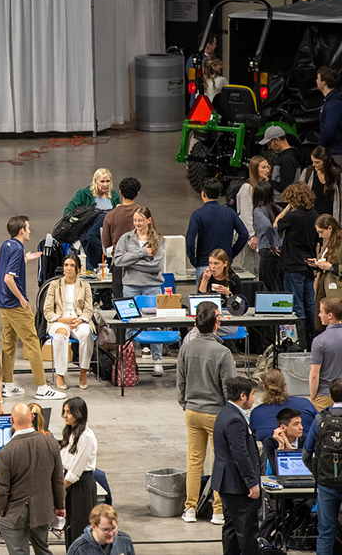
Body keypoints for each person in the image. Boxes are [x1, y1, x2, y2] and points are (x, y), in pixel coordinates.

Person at [176, 300, 235, 524]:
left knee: (194, 461)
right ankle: (218, 511)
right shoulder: (223, 352)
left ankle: (190, 508)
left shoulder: (186, 348)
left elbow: (180, 382)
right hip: (216, 414)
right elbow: (229, 388)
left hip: (191, 411)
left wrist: (185, 403)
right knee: (219, 460)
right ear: (215, 324)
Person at [0, 216, 59, 400]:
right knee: (32, 342)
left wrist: (25, 259)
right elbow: (9, 278)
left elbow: (8, 267)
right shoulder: (17, 248)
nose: (30, 231)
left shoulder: (7, 245)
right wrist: (22, 299)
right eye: (28, 228)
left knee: (8, 343)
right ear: (22, 231)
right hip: (14, 305)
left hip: (2, 303)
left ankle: (6, 384)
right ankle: (42, 387)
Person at [0, 402, 66, 555]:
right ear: (32, 417)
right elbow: (58, 479)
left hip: (14, 513)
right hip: (42, 509)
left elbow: (2, 489)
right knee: (43, 549)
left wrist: (1, 511)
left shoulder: (6, 452)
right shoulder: (51, 443)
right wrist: (59, 506)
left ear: (11, 420)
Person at [112, 207, 167, 370]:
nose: (137, 223)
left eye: (140, 220)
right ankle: (130, 361)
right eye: (135, 220)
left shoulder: (158, 240)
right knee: (130, 324)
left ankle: (157, 361)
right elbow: (118, 261)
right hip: (131, 286)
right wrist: (142, 253)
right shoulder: (126, 238)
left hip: (152, 286)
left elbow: (156, 266)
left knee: (155, 324)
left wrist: (131, 262)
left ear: (149, 220)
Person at [213, 376, 261, 555]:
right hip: (237, 486)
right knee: (247, 532)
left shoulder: (226, 412)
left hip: (228, 484)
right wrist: (251, 482)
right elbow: (240, 454)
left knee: (232, 528)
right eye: (253, 394)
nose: (255, 398)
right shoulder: (234, 419)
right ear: (243, 395)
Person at [43, 254, 94, 391]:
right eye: (66, 265)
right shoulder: (54, 285)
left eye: (72, 265)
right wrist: (61, 320)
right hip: (59, 320)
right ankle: (60, 374)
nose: (69, 268)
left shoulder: (85, 286)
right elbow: (47, 310)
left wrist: (81, 320)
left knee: (87, 332)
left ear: (78, 268)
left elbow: (89, 309)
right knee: (61, 333)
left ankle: (83, 372)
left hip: (78, 320)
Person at [303, 377, 342, 555]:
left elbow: (306, 454)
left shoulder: (320, 418)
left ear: (331, 395)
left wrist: (318, 475)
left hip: (326, 483)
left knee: (325, 532)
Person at [276, 181, 321, 337]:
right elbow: (317, 242)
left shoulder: (293, 217)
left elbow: (277, 224)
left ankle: (299, 342)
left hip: (293, 265)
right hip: (309, 265)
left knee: (296, 306)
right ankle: (311, 339)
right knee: (310, 305)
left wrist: (288, 207)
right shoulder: (314, 215)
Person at [58, 398, 98, 549]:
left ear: (78, 413)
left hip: (81, 485)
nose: (65, 415)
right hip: (69, 483)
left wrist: (59, 490)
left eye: (69, 412)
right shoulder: (71, 432)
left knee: (80, 528)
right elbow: (64, 460)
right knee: (70, 527)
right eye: (64, 412)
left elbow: (75, 472)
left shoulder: (86, 437)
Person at [187, 177, 249, 273]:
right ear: (219, 194)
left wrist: (194, 261)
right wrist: (231, 254)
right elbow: (244, 234)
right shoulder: (230, 212)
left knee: (204, 288)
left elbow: (190, 241)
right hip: (224, 264)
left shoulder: (198, 214)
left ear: (203, 193)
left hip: (204, 264)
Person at [64, 169, 121, 267]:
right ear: (95, 181)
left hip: (105, 241)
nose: (105, 184)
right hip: (87, 240)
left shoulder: (114, 197)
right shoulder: (83, 194)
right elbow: (68, 212)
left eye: (108, 181)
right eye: (102, 181)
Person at [250, 368, 318, 441]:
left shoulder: (256, 413)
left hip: (271, 451)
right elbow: (320, 426)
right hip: (305, 451)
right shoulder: (305, 404)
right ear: (285, 384)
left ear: (265, 388)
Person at [237, 156, 271, 273]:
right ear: (255, 170)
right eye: (263, 167)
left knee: (258, 268)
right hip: (250, 236)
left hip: (260, 235)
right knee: (249, 269)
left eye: (267, 167)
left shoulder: (262, 187)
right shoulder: (247, 188)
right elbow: (246, 215)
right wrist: (252, 236)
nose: (267, 170)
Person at [312, 214, 342, 333]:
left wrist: (331, 267)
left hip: (336, 290)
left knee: (333, 322)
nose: (319, 235)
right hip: (322, 285)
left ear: (330, 228)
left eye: (321, 232)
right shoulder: (326, 241)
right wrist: (317, 264)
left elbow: (332, 265)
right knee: (319, 324)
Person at [66, 504, 137, 555]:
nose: (111, 533)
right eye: (106, 530)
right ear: (94, 526)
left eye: (114, 528)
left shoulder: (124, 540)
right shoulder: (78, 548)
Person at [310, 298, 342, 411]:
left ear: (330, 315)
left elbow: (314, 374)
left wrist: (313, 397)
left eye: (321, 312)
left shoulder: (320, 341)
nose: (319, 315)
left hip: (325, 395)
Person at [251, 181, 282, 293]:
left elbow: (267, 227)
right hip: (281, 250)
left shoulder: (258, 211)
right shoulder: (278, 209)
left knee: (267, 287)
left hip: (269, 252)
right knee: (278, 285)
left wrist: (272, 246)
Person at [259, 125, 304, 201]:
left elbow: (286, 187)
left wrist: (268, 180)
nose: (269, 148)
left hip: (283, 203)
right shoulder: (286, 157)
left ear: (276, 140)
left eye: (269, 144)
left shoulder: (287, 159)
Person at [100, 177, 142, 256]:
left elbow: (106, 244)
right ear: (137, 193)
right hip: (139, 260)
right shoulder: (144, 213)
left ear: (120, 192)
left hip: (119, 259)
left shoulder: (110, 215)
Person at [302, 146, 342, 221]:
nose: (314, 165)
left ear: (325, 161)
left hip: (331, 220)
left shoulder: (338, 175)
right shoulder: (308, 172)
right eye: (312, 161)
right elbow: (300, 194)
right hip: (312, 219)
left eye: (317, 162)